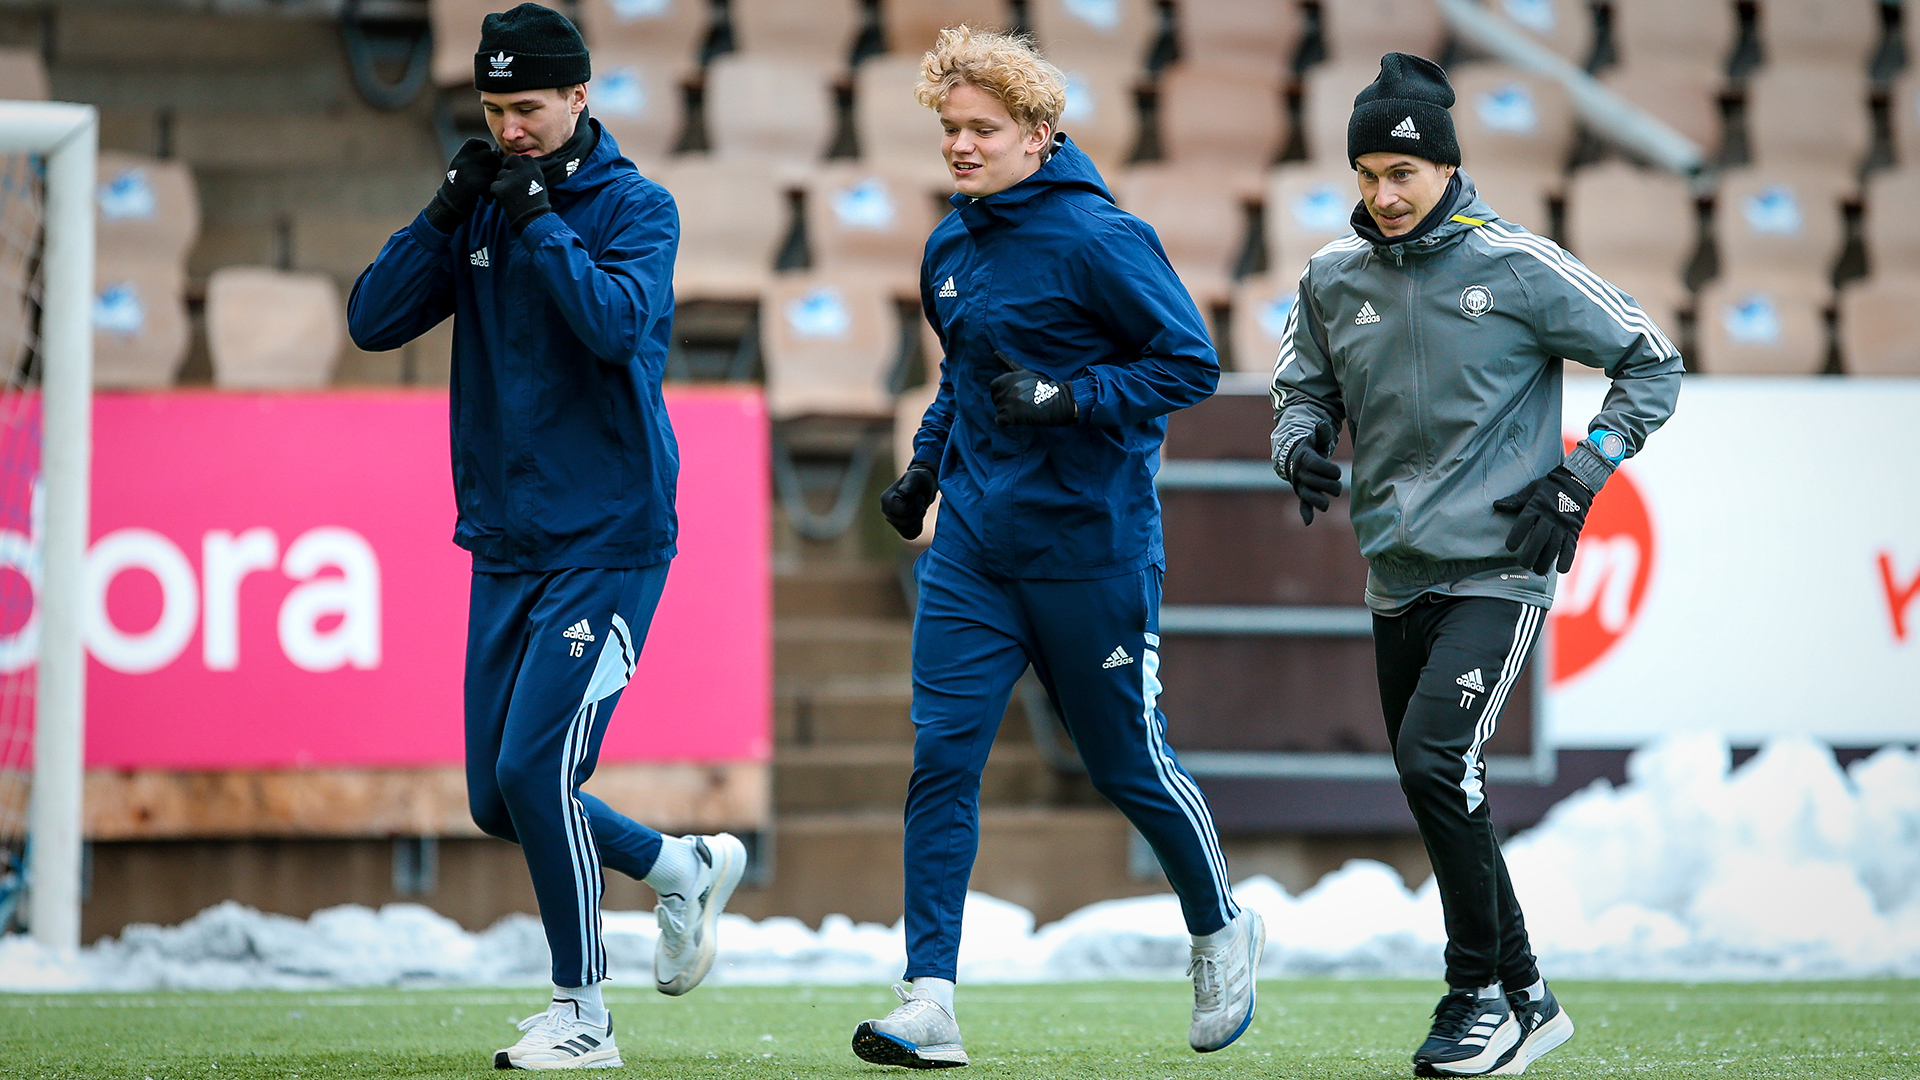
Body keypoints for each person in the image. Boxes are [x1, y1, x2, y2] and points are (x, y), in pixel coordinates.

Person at [855, 25, 1264, 1070]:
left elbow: (1190, 365)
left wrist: (1071, 397)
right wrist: (924, 471)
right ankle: (930, 998)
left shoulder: (1100, 239)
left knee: (1127, 763)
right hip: (975, 554)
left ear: (1038, 133)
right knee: (942, 760)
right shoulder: (951, 245)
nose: (960, 146)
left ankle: (1221, 928)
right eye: (949, 128)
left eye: (982, 129)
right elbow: (964, 377)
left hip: (1093, 553)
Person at [346, 4, 745, 1069]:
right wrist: (444, 209)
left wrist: (537, 220)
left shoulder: (636, 208)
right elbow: (373, 318)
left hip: (608, 536)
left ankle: (584, 1017)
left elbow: (617, 326)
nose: (510, 128)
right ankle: (679, 870)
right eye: (493, 109)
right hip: (508, 540)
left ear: (580, 96)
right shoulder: (479, 205)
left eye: (528, 107)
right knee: (497, 798)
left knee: (535, 771)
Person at [1270, 53, 1682, 1076]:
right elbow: (1300, 389)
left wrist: (1583, 474)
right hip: (1394, 572)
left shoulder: (1519, 264)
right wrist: (1298, 442)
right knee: (1441, 779)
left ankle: (1477, 997)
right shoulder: (1331, 278)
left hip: (1501, 566)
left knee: (1433, 762)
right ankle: (1529, 993)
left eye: (1401, 173)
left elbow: (1650, 358)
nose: (1383, 194)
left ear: (1446, 170)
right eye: (1366, 174)